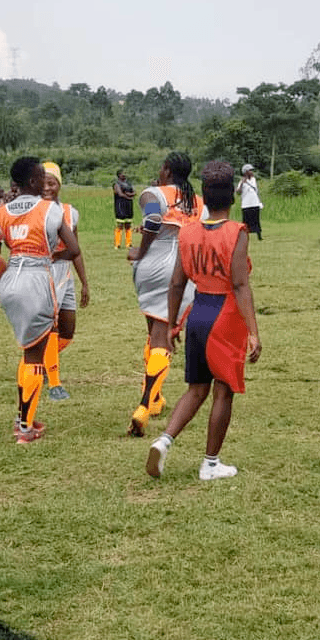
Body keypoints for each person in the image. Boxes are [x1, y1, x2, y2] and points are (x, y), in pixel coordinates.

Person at [146, 161, 261, 480]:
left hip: (196, 313)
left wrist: (171, 325)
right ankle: (210, 464)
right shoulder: (236, 231)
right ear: (232, 199)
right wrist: (253, 331)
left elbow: (176, 284)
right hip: (224, 315)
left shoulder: (189, 231)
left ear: (204, 199)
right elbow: (240, 285)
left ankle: (163, 440)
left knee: (196, 389)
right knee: (222, 392)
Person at [0, 157, 81, 443]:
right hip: (38, 279)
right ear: (32, 182)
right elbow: (74, 248)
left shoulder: (2, 212)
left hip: (11, 278)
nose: (45, 182)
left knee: (28, 352)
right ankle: (25, 429)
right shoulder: (50, 209)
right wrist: (53, 257)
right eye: (41, 177)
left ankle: (23, 416)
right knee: (34, 357)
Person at [127, 152, 203, 437]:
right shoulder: (198, 201)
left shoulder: (152, 193)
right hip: (180, 268)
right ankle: (144, 406)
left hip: (150, 268)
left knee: (155, 332)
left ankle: (156, 398)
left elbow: (152, 219)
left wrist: (141, 252)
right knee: (164, 336)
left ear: (167, 170)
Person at [41, 161, 90, 400]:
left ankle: (38, 359)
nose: (47, 188)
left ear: (59, 185)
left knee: (67, 333)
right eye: (43, 183)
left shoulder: (71, 212)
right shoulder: (36, 211)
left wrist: (84, 283)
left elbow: (76, 250)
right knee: (52, 326)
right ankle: (54, 384)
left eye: (52, 183)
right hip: (45, 272)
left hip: (66, 273)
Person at [235, 164, 263, 240]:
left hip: (255, 203)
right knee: (246, 222)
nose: (251, 172)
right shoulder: (242, 181)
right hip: (246, 204)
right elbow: (238, 192)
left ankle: (259, 235)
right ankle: (245, 236)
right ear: (245, 172)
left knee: (256, 219)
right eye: (250, 170)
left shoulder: (253, 180)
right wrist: (242, 184)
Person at [113, 169, 135, 249]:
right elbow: (120, 194)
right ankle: (117, 244)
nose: (124, 175)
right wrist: (129, 197)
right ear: (119, 175)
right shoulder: (116, 184)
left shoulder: (128, 183)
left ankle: (128, 244)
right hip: (120, 206)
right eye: (122, 173)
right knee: (120, 225)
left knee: (128, 225)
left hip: (128, 206)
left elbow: (134, 192)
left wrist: (128, 194)